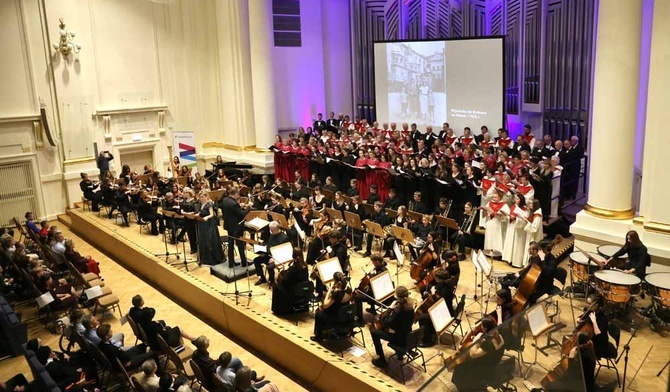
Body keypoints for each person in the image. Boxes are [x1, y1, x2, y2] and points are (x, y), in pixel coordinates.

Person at [451, 318, 505, 391]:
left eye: (481, 326)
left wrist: (475, 340)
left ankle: (465, 388)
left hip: (485, 368)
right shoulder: (498, 335)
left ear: (485, 329)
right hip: (494, 363)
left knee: (460, 366)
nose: (480, 327)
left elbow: (473, 354)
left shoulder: (488, 343)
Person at [370, 286, 415, 368]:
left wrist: (389, 309)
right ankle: (399, 355)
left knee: (374, 332)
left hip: (398, 338)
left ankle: (381, 360)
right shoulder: (411, 306)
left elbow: (387, 322)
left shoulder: (399, 310)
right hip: (407, 334)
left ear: (398, 297)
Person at [128, 295, 194, 350]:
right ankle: (183, 347)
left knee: (163, 322)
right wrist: (164, 328)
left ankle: (193, 340)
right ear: (141, 302)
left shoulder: (132, 312)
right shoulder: (149, 321)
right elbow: (163, 333)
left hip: (148, 335)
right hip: (158, 342)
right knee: (178, 329)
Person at [417, 269, 456, 347]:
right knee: (424, 314)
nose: (434, 279)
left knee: (422, 317)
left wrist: (430, 295)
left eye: (436, 278)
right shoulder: (446, 285)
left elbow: (437, 302)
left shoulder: (444, 289)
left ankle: (427, 340)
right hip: (445, 308)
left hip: (444, 313)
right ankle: (429, 332)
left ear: (441, 279)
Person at [311, 271, 353, 341]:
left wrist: (329, 291)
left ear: (336, 282)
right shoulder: (349, 290)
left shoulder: (337, 294)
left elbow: (325, 305)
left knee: (318, 313)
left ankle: (319, 336)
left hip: (336, 317)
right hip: (345, 315)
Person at [353, 254, 391, 323]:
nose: (373, 263)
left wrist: (369, 281)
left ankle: (360, 320)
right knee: (367, 290)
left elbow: (376, 284)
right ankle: (372, 309)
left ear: (377, 262)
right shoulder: (383, 269)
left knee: (357, 297)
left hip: (378, 295)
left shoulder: (380, 272)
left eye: (373, 262)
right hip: (379, 291)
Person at [271, 248, 309, 315]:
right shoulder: (305, 266)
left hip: (293, 291)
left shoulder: (293, 268)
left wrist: (283, 273)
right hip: (302, 289)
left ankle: (279, 310)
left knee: (276, 286)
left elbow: (286, 282)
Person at [580, 295, 617, 359]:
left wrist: (594, 322)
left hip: (601, 346)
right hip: (592, 341)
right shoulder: (590, 312)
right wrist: (579, 319)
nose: (586, 305)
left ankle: (586, 367)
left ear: (596, 306)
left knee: (582, 352)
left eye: (589, 303)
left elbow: (599, 336)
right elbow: (581, 317)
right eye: (586, 302)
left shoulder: (603, 318)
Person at [253, 222, 290, 286]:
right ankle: (262, 278)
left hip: (278, 258)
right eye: (270, 230)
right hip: (269, 254)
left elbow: (285, 252)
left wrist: (274, 258)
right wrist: (263, 252)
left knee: (270, 266)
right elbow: (269, 245)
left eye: (272, 230)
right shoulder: (272, 234)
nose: (271, 231)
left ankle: (272, 280)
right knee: (256, 260)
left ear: (277, 229)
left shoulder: (284, 238)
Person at [221, 187, 250, 268]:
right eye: (238, 193)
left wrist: (239, 206)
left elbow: (232, 211)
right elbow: (241, 214)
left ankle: (231, 263)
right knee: (240, 244)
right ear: (236, 193)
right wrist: (249, 208)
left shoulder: (225, 200)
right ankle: (244, 262)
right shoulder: (234, 203)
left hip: (228, 226)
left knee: (231, 245)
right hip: (237, 227)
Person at [193, 191, 223, 266]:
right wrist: (194, 215)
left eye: (202, 196)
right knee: (204, 240)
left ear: (206, 196)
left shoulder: (209, 203)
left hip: (209, 224)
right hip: (202, 224)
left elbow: (212, 214)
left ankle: (212, 259)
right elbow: (200, 213)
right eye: (200, 197)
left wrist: (207, 217)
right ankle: (204, 259)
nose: (201, 198)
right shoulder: (201, 204)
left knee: (209, 240)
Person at [502, 194, 529, 268]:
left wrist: (516, 218)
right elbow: (509, 216)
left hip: (519, 230)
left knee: (517, 245)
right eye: (515, 199)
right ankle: (510, 260)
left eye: (517, 199)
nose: (516, 200)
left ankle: (516, 262)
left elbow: (524, 220)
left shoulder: (525, 209)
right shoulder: (513, 207)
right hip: (511, 227)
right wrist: (508, 216)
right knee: (511, 243)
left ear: (521, 200)